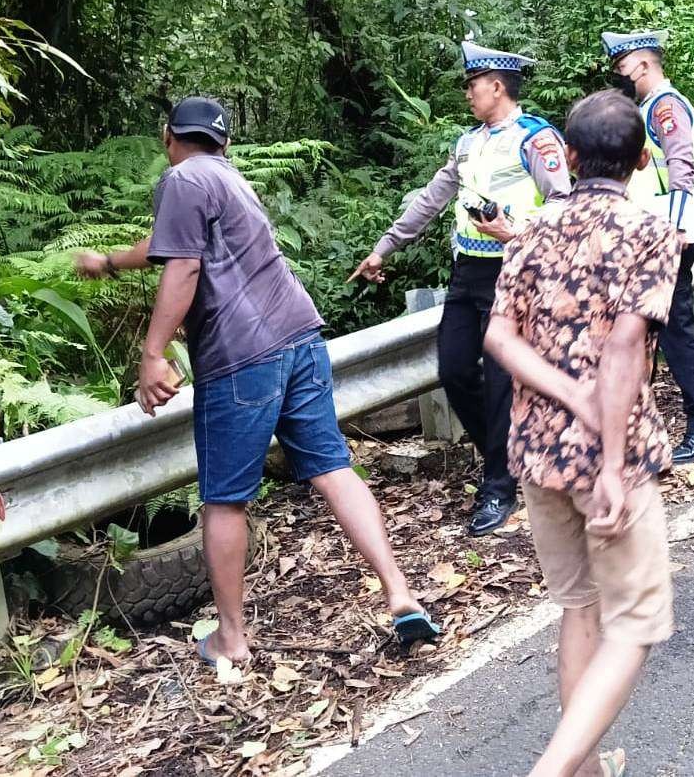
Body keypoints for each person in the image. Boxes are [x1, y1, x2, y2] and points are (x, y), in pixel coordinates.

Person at [76, 97, 440, 663]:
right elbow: (169, 246)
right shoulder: (229, 179)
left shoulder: (181, 179)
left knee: (223, 502)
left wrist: (152, 354)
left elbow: (184, 265)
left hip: (242, 357)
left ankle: (231, 637)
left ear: (168, 135)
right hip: (300, 338)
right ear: (223, 142)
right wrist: (109, 262)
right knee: (333, 468)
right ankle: (399, 592)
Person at [485, 90, 680, 777]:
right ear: (639, 160)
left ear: (567, 156)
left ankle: (589, 771)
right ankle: (554, 770)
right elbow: (626, 347)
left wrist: (564, 392)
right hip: (607, 457)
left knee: (578, 606)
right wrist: (611, 464)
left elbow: (498, 334)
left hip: (536, 453)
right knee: (635, 622)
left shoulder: (535, 227)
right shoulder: (650, 230)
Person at [350, 42, 572, 535]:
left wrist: (517, 232)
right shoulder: (467, 143)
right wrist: (384, 248)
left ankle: (499, 485)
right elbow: (431, 200)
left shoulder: (537, 139)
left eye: (472, 85)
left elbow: (563, 204)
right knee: (454, 370)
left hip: (514, 273)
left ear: (497, 86)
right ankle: (506, 454)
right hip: (467, 273)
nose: (468, 93)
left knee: (498, 382)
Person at [601, 30, 694, 466]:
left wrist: (672, 230)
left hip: (666, 237)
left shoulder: (665, 106)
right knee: (650, 337)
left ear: (642, 64)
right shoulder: (646, 108)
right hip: (650, 236)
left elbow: (680, 167)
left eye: (622, 69)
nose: (619, 77)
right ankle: (644, 432)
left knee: (678, 334)